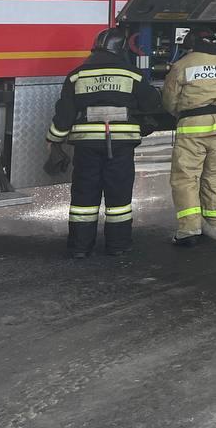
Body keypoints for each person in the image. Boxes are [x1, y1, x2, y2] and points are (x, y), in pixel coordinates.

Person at [45, 26, 161, 258]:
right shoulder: (132, 74)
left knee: (83, 198)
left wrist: (54, 142)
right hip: (120, 147)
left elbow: (64, 114)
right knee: (119, 198)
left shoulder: (77, 75)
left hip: (87, 146)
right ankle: (118, 245)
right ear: (120, 49)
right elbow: (152, 105)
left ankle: (80, 247)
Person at [162, 27, 216, 246]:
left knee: (186, 178)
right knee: (215, 177)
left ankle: (189, 231)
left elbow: (169, 100)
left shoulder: (183, 65)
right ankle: (215, 226)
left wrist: (180, 113)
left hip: (192, 128)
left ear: (190, 45)